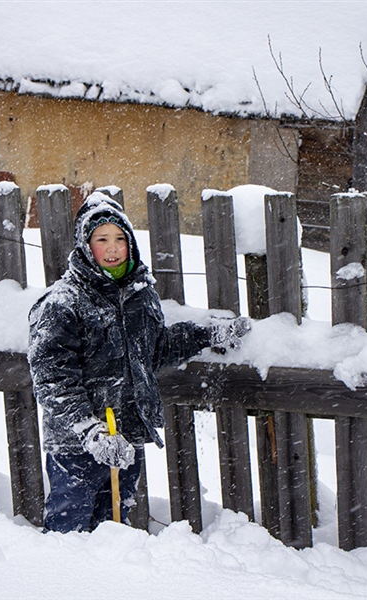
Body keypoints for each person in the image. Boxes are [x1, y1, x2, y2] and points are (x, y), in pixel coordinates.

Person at [27, 192, 252, 533]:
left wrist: (207, 336)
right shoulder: (63, 302)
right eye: (102, 239)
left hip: (126, 434)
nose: (113, 248)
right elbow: (52, 379)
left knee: (114, 530)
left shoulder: (139, 294)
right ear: (85, 245)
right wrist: (90, 430)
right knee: (68, 532)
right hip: (77, 444)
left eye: (120, 239)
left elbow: (154, 349)